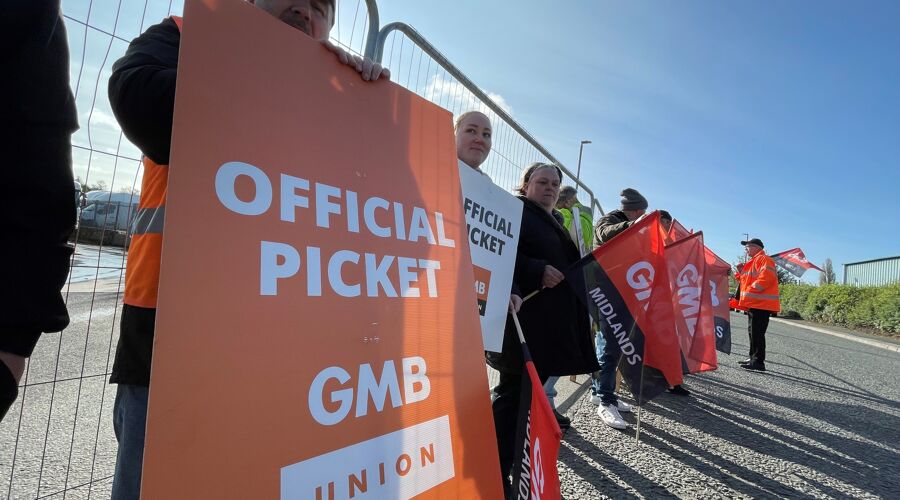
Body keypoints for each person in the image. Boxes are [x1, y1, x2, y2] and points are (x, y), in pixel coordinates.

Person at [106, 1, 388, 497]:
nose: (306, 10)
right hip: (170, 326)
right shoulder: (189, 35)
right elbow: (137, 101)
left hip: (285, 335)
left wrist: (363, 100)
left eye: (322, 7)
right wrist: (267, 68)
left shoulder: (333, 87)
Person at [487, 163, 599, 495]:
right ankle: (495, 471)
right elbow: (498, 250)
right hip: (521, 324)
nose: (549, 187)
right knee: (512, 399)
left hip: (542, 327)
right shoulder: (515, 210)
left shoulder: (553, 219)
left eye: (554, 183)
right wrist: (536, 269)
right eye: (542, 182)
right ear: (526, 185)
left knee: (523, 401)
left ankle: (509, 468)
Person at [1, 1, 78, 423]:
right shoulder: (176, 42)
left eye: (321, 5)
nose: (308, 11)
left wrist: (11, 340)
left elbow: (40, 181)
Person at [590, 188, 648, 429]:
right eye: (642, 213)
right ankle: (605, 399)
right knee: (610, 345)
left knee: (613, 343)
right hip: (605, 292)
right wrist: (633, 226)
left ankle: (600, 392)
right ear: (636, 210)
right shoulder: (611, 220)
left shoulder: (626, 222)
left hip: (617, 292)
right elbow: (604, 234)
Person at [542, 185, 594, 429]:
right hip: (558, 290)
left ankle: (546, 402)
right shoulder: (575, 217)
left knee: (560, 349)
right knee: (558, 349)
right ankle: (543, 403)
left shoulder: (569, 216)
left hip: (565, 288)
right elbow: (580, 242)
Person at [658, 210, 691, 397]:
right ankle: (668, 380)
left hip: (670, 298)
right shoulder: (653, 238)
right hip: (658, 300)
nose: (669, 226)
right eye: (666, 222)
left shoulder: (668, 240)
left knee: (672, 340)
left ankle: (672, 380)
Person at [735, 238, 780, 371]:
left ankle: (758, 362)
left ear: (755, 247)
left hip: (761, 304)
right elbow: (745, 280)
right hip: (756, 303)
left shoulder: (764, 259)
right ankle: (753, 358)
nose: (746, 249)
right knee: (753, 332)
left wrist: (750, 290)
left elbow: (766, 278)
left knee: (757, 333)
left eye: (747, 247)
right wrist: (740, 271)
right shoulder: (755, 261)